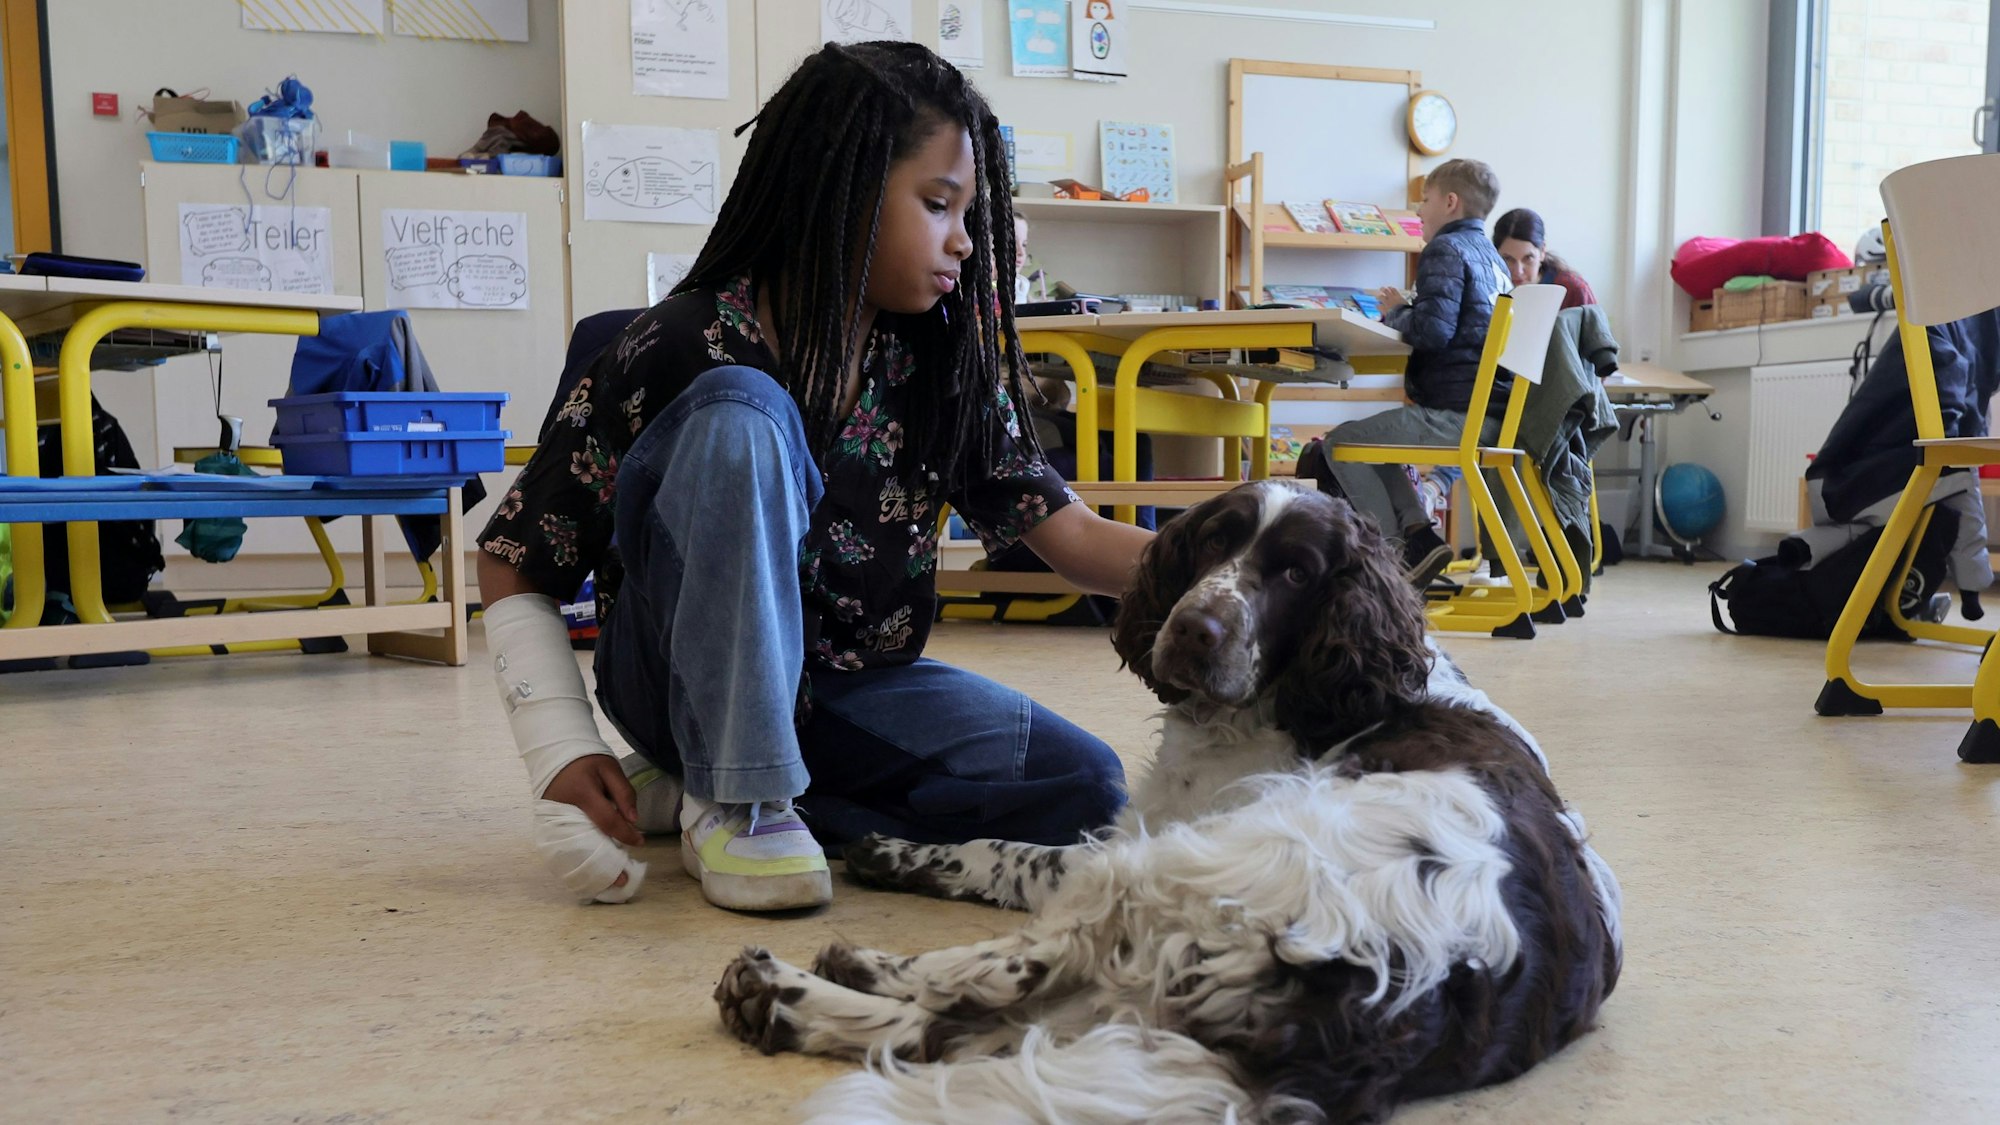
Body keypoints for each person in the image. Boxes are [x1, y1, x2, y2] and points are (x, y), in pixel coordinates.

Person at [478, 41, 1149, 913]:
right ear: (840, 189)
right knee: (742, 413)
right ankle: (735, 798)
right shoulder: (679, 343)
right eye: (939, 205)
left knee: (1084, 789)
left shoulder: (941, 364)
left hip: (847, 690)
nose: (963, 242)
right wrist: (560, 749)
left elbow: (1078, 539)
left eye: (969, 213)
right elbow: (514, 557)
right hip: (676, 678)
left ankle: (707, 788)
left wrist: (1243, 563)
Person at [1312, 158, 1513, 588]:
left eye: (1426, 199)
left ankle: (1393, 561)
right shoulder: (1494, 258)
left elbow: (1433, 331)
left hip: (1456, 413)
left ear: (1451, 202)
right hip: (1491, 413)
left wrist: (1397, 311)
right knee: (1375, 444)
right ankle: (1420, 538)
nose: (1419, 211)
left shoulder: (1445, 249)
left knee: (1340, 443)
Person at [1492, 207, 1597, 309]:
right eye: (1508, 259)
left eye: (1528, 258)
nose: (1518, 271)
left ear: (1542, 251)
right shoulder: (1488, 289)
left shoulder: (1572, 290)